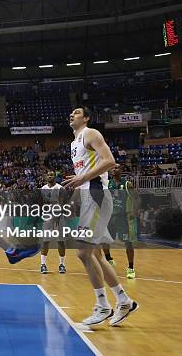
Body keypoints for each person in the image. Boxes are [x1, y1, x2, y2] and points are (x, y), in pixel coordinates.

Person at [62, 107, 139, 326]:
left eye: (77, 112)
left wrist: (82, 179)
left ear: (86, 118)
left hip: (96, 197)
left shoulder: (91, 133)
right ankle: (124, 301)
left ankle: (103, 305)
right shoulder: (74, 144)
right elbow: (82, 179)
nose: (72, 114)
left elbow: (110, 161)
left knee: (83, 252)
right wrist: (71, 200)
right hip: (88, 197)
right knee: (95, 254)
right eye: (71, 113)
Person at [102, 164, 138, 279]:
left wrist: (134, 212)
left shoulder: (127, 184)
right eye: (112, 168)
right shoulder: (108, 184)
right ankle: (108, 259)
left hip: (123, 218)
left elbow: (136, 198)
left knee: (128, 243)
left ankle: (131, 268)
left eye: (117, 168)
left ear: (121, 170)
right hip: (110, 217)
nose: (114, 169)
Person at [39, 170, 66, 274]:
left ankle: (62, 265)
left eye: (52, 175)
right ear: (46, 177)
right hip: (47, 217)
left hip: (59, 217)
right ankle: (43, 265)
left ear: (55, 177)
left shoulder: (60, 188)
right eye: (48, 175)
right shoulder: (43, 189)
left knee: (61, 241)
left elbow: (63, 204)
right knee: (45, 241)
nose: (50, 176)